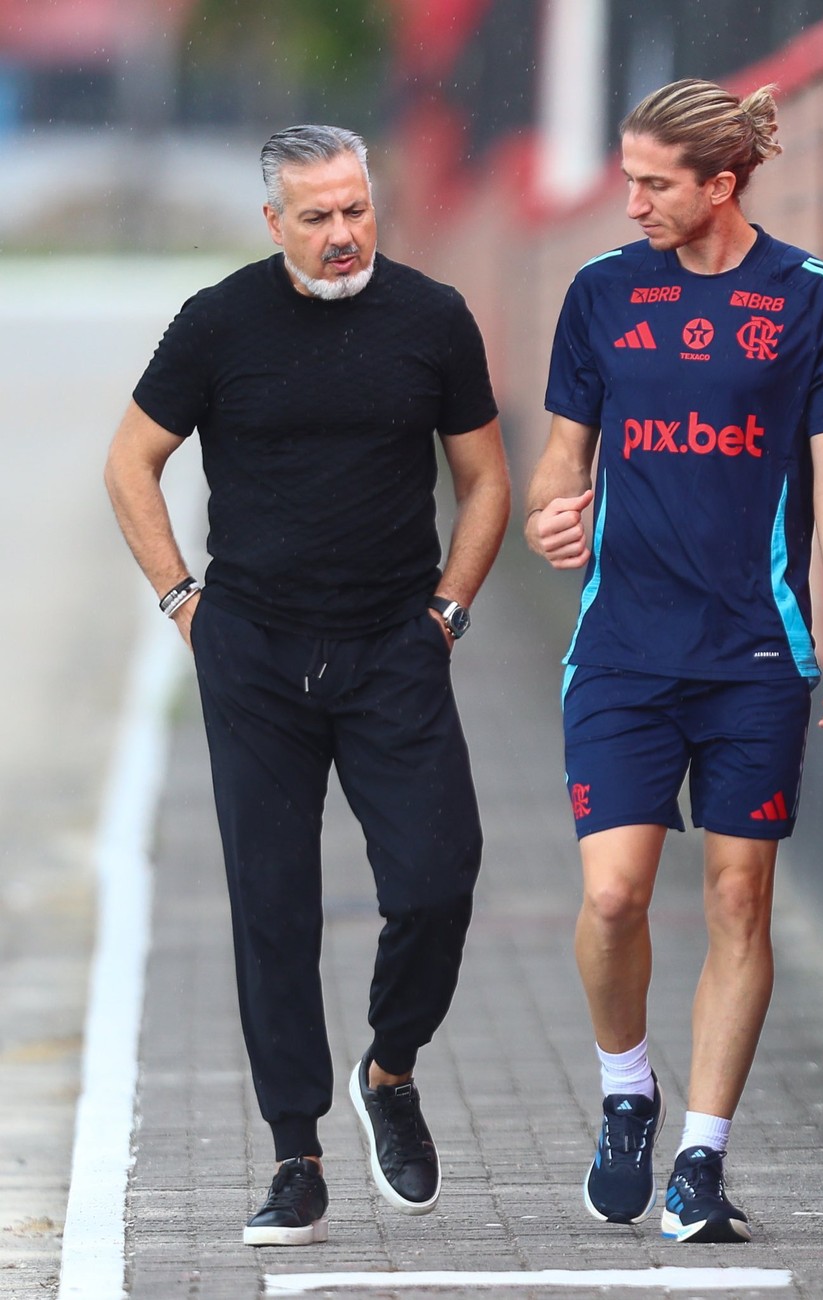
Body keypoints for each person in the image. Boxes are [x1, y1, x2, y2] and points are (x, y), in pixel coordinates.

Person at [105, 124, 510, 1246]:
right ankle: (296, 1152)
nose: (344, 235)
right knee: (273, 912)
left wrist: (448, 611)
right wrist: (183, 601)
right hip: (256, 653)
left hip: (394, 643)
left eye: (356, 209)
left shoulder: (432, 318)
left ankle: (389, 1067)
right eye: (319, 216)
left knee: (436, 878)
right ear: (274, 222)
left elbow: (484, 484)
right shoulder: (219, 322)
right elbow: (130, 462)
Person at [525, 79, 823, 1243]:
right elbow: (560, 461)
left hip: (755, 655)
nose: (629, 202)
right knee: (615, 895)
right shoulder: (600, 296)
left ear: (720, 184)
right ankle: (629, 1089)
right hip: (623, 646)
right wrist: (550, 516)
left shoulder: (812, 301)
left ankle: (700, 1161)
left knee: (739, 895)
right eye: (626, 177)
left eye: (652, 183)